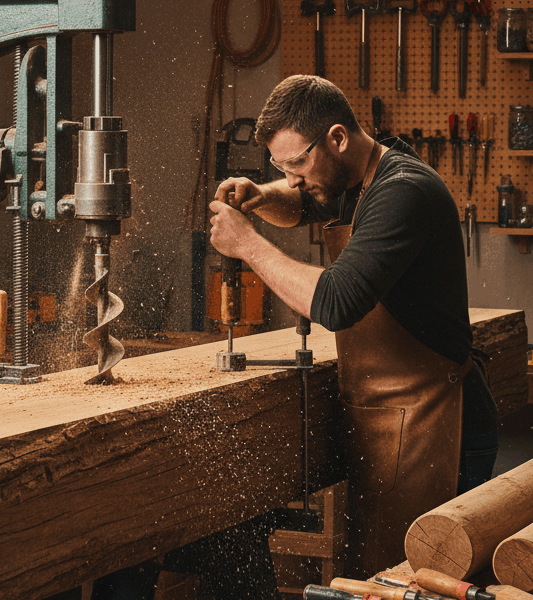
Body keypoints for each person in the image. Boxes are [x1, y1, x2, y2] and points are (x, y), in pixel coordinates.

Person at [208, 75, 498, 578]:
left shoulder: (402, 192)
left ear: (337, 138)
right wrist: (261, 194)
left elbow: (338, 301)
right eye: (281, 165)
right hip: (390, 416)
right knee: (379, 578)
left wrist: (248, 245)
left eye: (297, 163)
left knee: (423, 581)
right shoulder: (354, 179)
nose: (292, 178)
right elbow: (303, 202)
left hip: (437, 420)